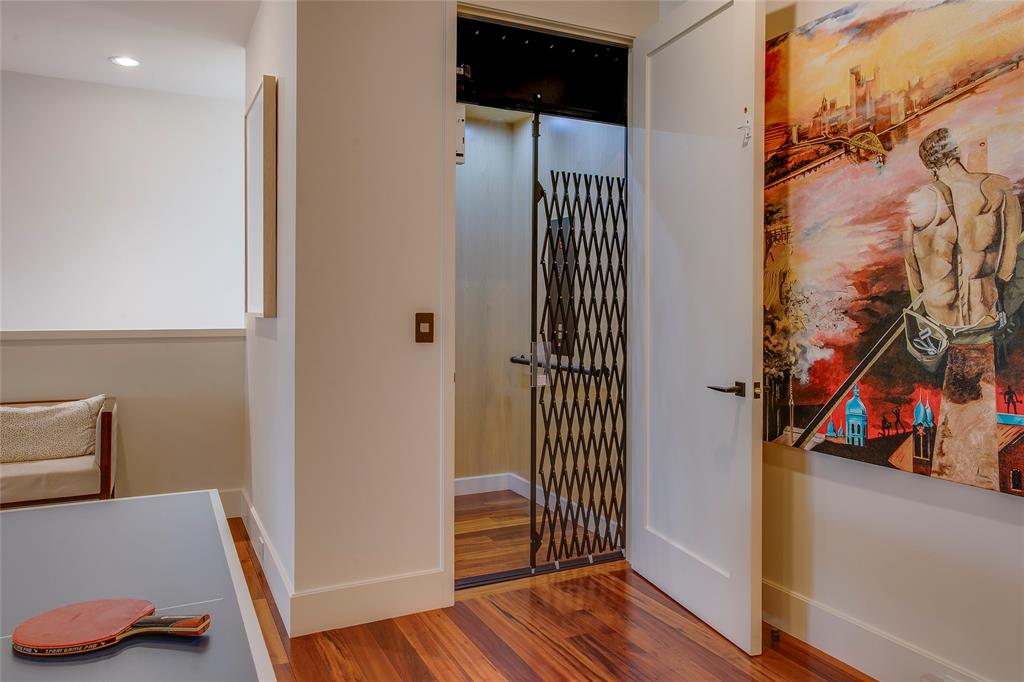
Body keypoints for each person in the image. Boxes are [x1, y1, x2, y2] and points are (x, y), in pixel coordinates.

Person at [904, 128, 1021, 490]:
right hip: (984, 320)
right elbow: (1007, 267)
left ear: (930, 167)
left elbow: (915, 277)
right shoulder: (1000, 189)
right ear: (958, 154)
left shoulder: (921, 203)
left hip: (940, 327)